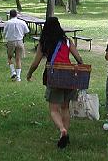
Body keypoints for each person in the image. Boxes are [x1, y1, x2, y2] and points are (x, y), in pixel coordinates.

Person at [26, 17, 84, 149]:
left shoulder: (44, 42)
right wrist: (81, 67)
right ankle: (65, 134)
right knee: (65, 107)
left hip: (54, 75)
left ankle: (62, 129)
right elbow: (78, 58)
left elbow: (36, 62)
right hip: (69, 75)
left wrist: (29, 74)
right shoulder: (67, 41)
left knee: (53, 109)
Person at [3, 9, 30, 81]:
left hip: (11, 41)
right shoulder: (22, 22)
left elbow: (4, 32)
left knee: (9, 57)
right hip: (19, 41)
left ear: (10, 15)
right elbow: (27, 31)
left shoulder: (7, 23)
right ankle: (18, 77)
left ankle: (13, 72)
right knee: (18, 59)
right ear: (16, 15)